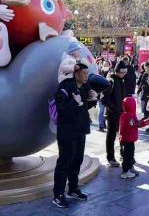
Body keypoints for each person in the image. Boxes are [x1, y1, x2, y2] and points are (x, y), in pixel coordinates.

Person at [52, 60, 95, 208]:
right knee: (65, 162)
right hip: (67, 131)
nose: (86, 76)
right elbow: (62, 109)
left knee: (77, 160)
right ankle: (58, 194)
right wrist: (74, 102)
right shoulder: (65, 86)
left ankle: (73, 188)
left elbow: (83, 107)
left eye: (87, 74)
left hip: (80, 130)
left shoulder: (84, 87)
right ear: (76, 73)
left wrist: (93, 99)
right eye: (84, 73)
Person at [102, 60, 128, 167]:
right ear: (117, 71)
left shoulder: (121, 81)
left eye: (125, 72)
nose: (124, 74)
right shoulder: (111, 80)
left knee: (123, 135)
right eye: (122, 72)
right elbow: (104, 98)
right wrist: (113, 108)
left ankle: (123, 154)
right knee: (111, 136)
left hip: (121, 113)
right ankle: (111, 157)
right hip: (112, 114)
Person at [118, 96, 149, 179]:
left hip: (127, 139)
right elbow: (137, 124)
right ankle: (125, 172)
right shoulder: (129, 115)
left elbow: (135, 123)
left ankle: (130, 167)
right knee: (127, 156)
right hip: (127, 139)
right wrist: (148, 121)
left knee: (130, 154)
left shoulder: (125, 114)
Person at [137, 61, 149, 133]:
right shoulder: (145, 74)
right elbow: (141, 83)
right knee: (145, 111)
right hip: (144, 95)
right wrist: (138, 91)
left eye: (146, 68)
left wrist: (145, 87)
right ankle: (145, 123)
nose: (145, 70)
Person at [97, 58, 112, 132]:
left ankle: (104, 123)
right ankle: (101, 126)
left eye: (107, 64)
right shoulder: (99, 73)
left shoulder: (111, 73)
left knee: (107, 111)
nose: (106, 65)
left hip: (108, 95)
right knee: (101, 110)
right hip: (101, 95)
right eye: (105, 64)